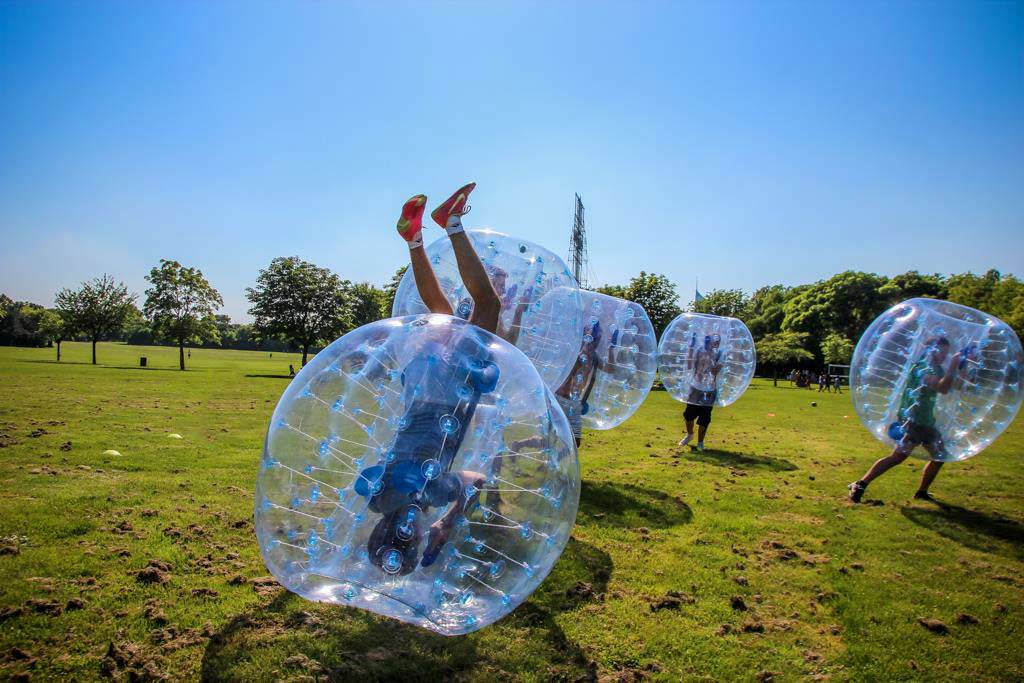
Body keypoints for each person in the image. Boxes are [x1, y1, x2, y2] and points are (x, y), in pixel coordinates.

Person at [359, 183, 502, 574]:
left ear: (414, 535)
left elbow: (477, 480)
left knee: (488, 307)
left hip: (445, 397)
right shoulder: (378, 499)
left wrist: (448, 519)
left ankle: (451, 222)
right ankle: (414, 239)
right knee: (444, 311)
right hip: (419, 391)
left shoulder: (430, 492)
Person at [848, 336, 969, 504]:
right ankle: (860, 483)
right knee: (898, 457)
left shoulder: (938, 369)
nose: (944, 357)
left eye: (946, 354)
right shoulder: (922, 368)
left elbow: (955, 386)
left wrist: (963, 367)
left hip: (926, 422)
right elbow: (942, 387)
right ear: (930, 351)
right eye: (942, 352)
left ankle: (922, 492)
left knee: (940, 456)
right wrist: (954, 365)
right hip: (913, 422)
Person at [678, 333, 722, 452]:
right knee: (688, 415)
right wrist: (691, 347)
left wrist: (714, 364)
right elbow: (690, 364)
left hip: (710, 390)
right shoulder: (699, 351)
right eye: (707, 340)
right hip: (696, 387)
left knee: (704, 417)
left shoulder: (719, 354)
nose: (709, 342)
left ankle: (700, 442)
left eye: (713, 341)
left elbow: (717, 371)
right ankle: (689, 434)